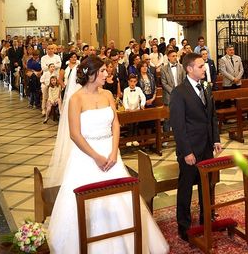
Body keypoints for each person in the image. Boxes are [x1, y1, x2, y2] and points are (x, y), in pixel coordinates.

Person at [47, 56, 169, 254]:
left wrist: (114, 151)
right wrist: (96, 156)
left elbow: (115, 123)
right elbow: (74, 134)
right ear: (91, 73)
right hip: (86, 156)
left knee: (120, 198)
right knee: (89, 201)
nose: (107, 74)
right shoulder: (76, 99)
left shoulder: (108, 95)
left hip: (111, 153)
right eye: (103, 71)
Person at [169, 52, 222, 242]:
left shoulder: (206, 87)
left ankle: (205, 218)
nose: (204, 68)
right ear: (190, 69)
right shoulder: (179, 92)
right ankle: (184, 224)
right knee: (185, 187)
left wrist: (216, 139)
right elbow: (178, 125)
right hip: (190, 149)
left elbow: (212, 116)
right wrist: (186, 152)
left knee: (206, 185)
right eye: (200, 66)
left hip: (207, 146)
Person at [44, 53, 80, 187]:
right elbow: (60, 79)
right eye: (73, 57)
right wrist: (65, 86)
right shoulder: (65, 69)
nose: (74, 59)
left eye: (76, 57)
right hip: (68, 89)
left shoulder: (78, 67)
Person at [160, 50, 185, 136]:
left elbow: (184, 80)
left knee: (180, 116)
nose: (175, 57)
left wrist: (180, 91)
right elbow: (164, 83)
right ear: (168, 57)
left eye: (176, 56)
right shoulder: (163, 68)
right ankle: (166, 136)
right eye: (173, 56)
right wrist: (174, 92)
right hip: (169, 96)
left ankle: (178, 135)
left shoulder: (181, 67)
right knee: (167, 117)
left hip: (180, 95)